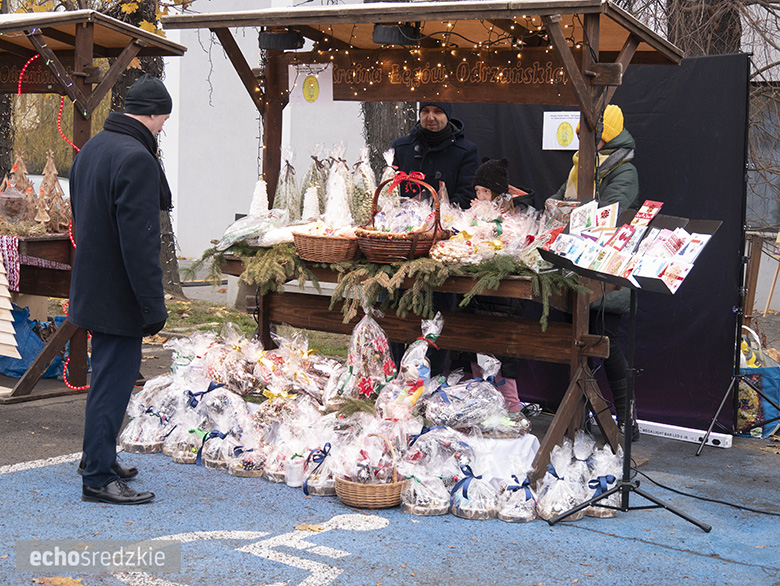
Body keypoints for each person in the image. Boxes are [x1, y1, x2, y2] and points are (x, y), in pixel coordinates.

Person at [70, 73, 173, 505]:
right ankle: (97, 476)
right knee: (113, 383)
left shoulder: (93, 147)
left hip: (93, 284)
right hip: (119, 293)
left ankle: (98, 455)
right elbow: (140, 241)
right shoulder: (136, 157)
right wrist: (152, 304)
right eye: (164, 120)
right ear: (151, 114)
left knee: (106, 379)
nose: (163, 127)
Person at [548, 104, 640, 440]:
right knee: (574, 341)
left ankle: (627, 417)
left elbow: (610, 212)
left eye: (593, 138)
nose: (584, 145)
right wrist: (550, 208)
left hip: (606, 273)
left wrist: (570, 215)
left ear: (608, 137)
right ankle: (582, 411)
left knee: (608, 343)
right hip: (574, 267)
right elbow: (559, 200)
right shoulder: (578, 168)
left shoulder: (624, 172)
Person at [391, 101, 479, 209]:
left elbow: (466, 195)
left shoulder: (466, 151)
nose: (430, 117)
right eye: (426, 111)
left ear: (447, 116)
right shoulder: (400, 147)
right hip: (403, 222)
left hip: (448, 223)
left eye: (438, 112)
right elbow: (390, 192)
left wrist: (437, 213)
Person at [471, 157, 535, 212]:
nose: (481, 197)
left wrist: (486, 216)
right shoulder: (478, 207)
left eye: (486, 191)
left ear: (498, 193)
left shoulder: (519, 209)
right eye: (477, 191)